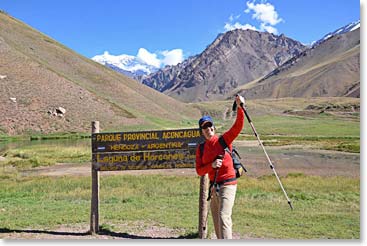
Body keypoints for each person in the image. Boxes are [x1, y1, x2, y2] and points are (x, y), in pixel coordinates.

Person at [195, 95, 245, 239]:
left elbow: (238, 127)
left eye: (209, 125)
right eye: (204, 127)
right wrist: (211, 166)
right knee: (217, 222)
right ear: (201, 131)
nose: (208, 128)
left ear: (214, 127)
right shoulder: (201, 149)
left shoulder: (224, 140)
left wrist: (240, 107)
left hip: (228, 184)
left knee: (224, 218)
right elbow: (199, 170)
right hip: (213, 186)